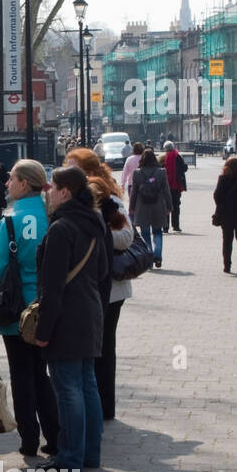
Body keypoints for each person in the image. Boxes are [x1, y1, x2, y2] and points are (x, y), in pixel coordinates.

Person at [34, 166, 109, 472]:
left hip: (65, 317)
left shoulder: (61, 228)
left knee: (68, 389)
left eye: (52, 188)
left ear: (65, 192)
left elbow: (51, 287)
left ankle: (69, 457)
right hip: (90, 312)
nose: (47, 193)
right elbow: (104, 270)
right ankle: (90, 453)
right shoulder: (94, 222)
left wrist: (43, 329)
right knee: (87, 385)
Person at [0, 159, 60, 456]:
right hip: (44, 307)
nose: (7, 184)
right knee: (41, 372)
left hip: (15, 310)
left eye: (11, 178)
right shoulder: (50, 217)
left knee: (20, 375)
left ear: (24, 184)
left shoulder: (9, 221)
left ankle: (28, 438)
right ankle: (55, 435)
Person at [64, 148, 135, 422]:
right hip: (85, 286)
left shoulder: (109, 199)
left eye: (75, 167)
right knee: (90, 347)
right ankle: (91, 405)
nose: (70, 171)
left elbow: (126, 236)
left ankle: (105, 406)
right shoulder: (70, 201)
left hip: (111, 288)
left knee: (104, 345)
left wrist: (96, 231)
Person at [130, 147, 171, 268]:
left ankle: (149, 257)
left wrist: (132, 207)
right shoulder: (161, 172)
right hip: (158, 206)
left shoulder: (137, 173)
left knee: (145, 233)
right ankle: (157, 256)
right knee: (158, 232)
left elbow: (134, 192)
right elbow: (166, 191)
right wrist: (169, 206)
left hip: (142, 207)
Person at [162, 141, 188, 232]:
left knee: (166, 206)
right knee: (176, 205)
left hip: (166, 185)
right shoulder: (178, 156)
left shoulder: (164, 157)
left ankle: (165, 227)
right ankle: (176, 226)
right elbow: (184, 168)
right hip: (176, 185)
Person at [120, 142, 144, 216]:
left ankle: (133, 219)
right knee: (143, 202)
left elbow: (125, 172)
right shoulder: (144, 158)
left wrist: (123, 184)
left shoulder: (129, 159)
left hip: (132, 183)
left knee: (132, 203)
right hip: (143, 183)